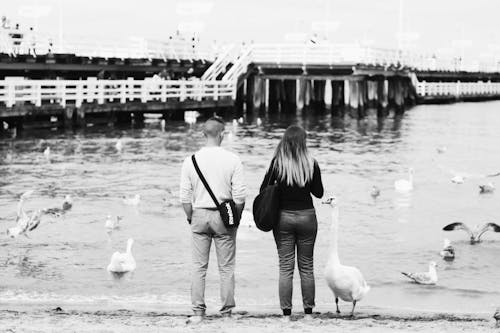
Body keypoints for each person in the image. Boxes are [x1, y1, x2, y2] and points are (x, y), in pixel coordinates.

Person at [180, 116, 246, 324]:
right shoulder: (233, 159)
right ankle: (226, 312)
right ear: (222, 134)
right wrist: (235, 217)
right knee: (226, 268)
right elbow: (240, 197)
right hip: (223, 216)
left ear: (203, 134)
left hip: (199, 214)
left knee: (199, 267)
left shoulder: (190, 160)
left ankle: (198, 312)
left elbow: (184, 196)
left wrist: (191, 216)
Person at [259, 125, 324, 321]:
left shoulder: (277, 163)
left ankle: (286, 315)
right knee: (307, 267)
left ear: (284, 141)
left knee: (286, 267)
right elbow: (318, 193)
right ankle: (308, 314)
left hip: (283, 219)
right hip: (307, 217)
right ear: (303, 142)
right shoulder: (311, 163)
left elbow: (264, 189)